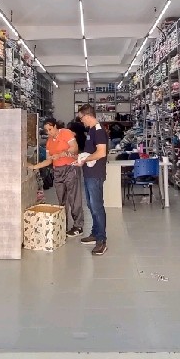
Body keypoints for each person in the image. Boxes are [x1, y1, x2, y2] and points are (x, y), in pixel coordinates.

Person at [27, 119, 84, 238]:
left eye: (50, 129)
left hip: (70, 168)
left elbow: (74, 148)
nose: (49, 132)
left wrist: (62, 154)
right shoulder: (49, 142)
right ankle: (63, 224)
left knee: (74, 198)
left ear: (55, 126)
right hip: (57, 171)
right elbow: (49, 160)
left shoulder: (66, 133)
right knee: (62, 200)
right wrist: (35, 166)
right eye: (46, 130)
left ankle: (78, 226)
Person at [75, 104, 108, 256]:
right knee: (91, 205)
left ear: (88, 116)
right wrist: (82, 157)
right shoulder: (91, 130)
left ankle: (101, 240)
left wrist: (84, 159)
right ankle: (95, 233)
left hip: (95, 174)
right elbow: (91, 151)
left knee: (97, 206)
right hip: (89, 173)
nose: (81, 121)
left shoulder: (99, 131)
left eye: (81, 118)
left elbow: (101, 153)